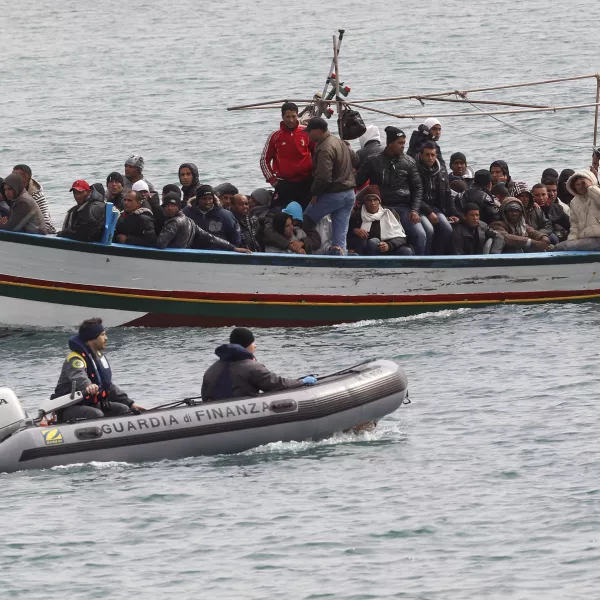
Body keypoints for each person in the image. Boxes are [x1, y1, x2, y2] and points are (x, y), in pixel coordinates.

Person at [51, 318, 144, 422]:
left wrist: (130, 403)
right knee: (96, 414)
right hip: (69, 408)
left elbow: (108, 386)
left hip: (89, 404)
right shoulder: (75, 359)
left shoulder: (98, 357)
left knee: (123, 409)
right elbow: (78, 375)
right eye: (102, 335)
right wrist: (87, 385)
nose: (106, 338)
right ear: (92, 338)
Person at [356, 126, 426, 254]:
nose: (403, 146)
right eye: (400, 143)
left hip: (404, 208)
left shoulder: (409, 162)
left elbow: (418, 188)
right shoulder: (373, 160)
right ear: (390, 143)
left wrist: (415, 210)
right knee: (371, 237)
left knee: (421, 234)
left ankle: (419, 264)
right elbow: (356, 182)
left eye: (404, 143)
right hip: (380, 208)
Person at [201, 327, 316, 401]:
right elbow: (277, 384)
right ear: (246, 345)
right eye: (252, 342)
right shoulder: (252, 367)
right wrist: (302, 381)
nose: (255, 345)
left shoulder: (212, 369)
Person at [303, 117, 356, 256]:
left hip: (334, 194)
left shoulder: (324, 148)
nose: (308, 135)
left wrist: (314, 193)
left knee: (306, 219)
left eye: (309, 132)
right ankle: (339, 260)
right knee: (340, 237)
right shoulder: (339, 141)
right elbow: (356, 159)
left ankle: (308, 251)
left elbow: (324, 177)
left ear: (318, 131)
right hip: (350, 194)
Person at [260, 102, 313, 209]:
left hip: (307, 182)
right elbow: (264, 160)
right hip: (285, 184)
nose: (291, 120)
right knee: (284, 215)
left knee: (307, 213)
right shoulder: (275, 136)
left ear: (297, 115)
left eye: (294, 116)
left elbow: (318, 154)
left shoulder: (306, 132)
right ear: (282, 117)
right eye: (287, 116)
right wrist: (273, 181)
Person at [157, 192, 247, 252]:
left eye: (173, 205)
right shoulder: (189, 221)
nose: (169, 208)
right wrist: (233, 248)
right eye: (167, 205)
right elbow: (210, 237)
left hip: (174, 258)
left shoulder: (175, 222)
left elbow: (161, 244)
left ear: (179, 207)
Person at [416, 142, 459, 254]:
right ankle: (426, 257)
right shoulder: (414, 170)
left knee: (447, 228)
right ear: (421, 155)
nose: (430, 158)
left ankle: (438, 255)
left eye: (432, 155)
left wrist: (452, 213)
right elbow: (414, 195)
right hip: (418, 208)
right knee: (429, 230)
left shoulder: (441, 171)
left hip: (436, 208)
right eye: (427, 155)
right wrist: (428, 212)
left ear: (436, 155)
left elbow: (447, 194)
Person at [347, 185, 413, 256]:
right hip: (369, 249)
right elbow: (347, 236)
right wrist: (354, 231)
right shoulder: (357, 215)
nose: (373, 203)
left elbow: (402, 237)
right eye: (369, 200)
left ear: (379, 201)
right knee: (373, 242)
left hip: (390, 247)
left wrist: (389, 245)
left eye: (375, 200)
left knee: (406, 251)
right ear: (365, 202)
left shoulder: (390, 213)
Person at [555, 170, 600, 251]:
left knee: (560, 248)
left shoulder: (596, 194)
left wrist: (591, 188)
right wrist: (572, 239)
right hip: (585, 240)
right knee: (561, 247)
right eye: (577, 184)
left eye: (583, 184)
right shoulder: (574, 202)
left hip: (598, 238)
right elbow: (574, 224)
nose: (580, 186)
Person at [12, 164, 56, 234]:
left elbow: (46, 221)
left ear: (25, 178)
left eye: (15, 176)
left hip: (43, 232)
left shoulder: (36, 196)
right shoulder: (14, 189)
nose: (12, 178)